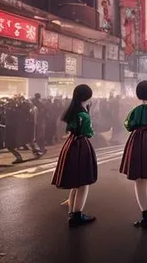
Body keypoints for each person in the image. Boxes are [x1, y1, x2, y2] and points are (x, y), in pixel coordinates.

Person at [119, 81, 147, 228]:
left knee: (139, 180)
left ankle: (145, 215)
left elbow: (128, 125)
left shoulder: (135, 111)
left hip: (137, 141)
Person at [51, 85, 97, 228]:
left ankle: (72, 212)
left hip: (70, 144)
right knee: (83, 183)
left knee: (75, 182)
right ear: (88, 96)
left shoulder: (72, 111)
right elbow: (89, 132)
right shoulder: (83, 114)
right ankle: (77, 215)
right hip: (81, 145)